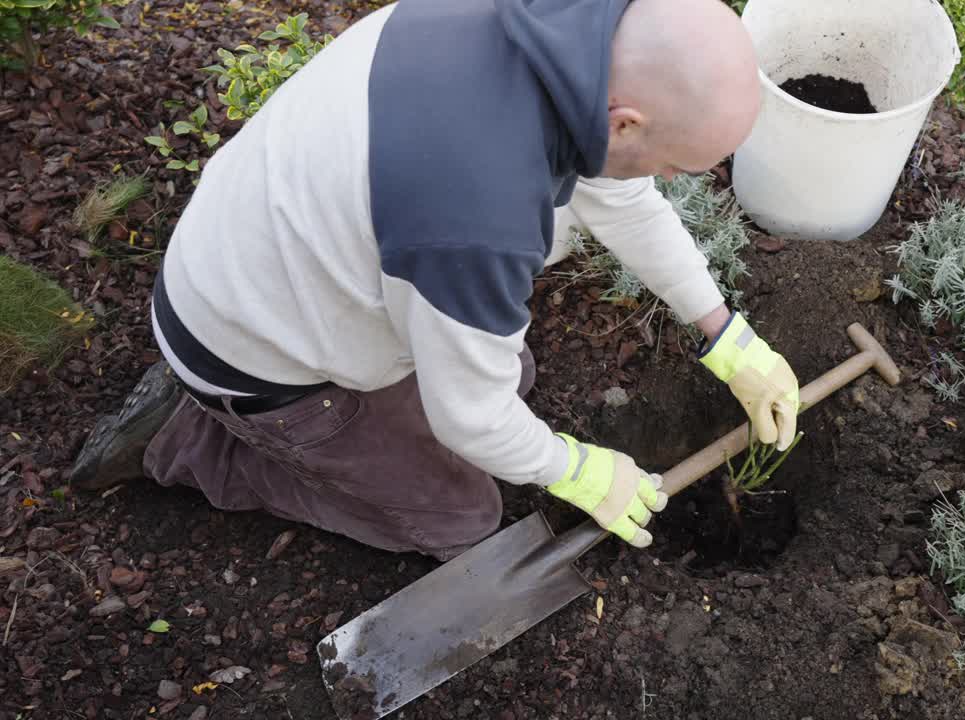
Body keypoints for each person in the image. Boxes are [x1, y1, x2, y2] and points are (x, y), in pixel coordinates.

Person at [68, 0, 800, 561]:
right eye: (676, 165)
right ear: (627, 121)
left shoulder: (565, 35)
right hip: (248, 344)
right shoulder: (476, 209)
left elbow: (620, 194)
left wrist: (725, 334)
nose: (671, 183)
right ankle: (204, 445)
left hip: (271, 252)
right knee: (464, 515)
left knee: (507, 379)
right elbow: (470, 418)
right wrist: (578, 468)